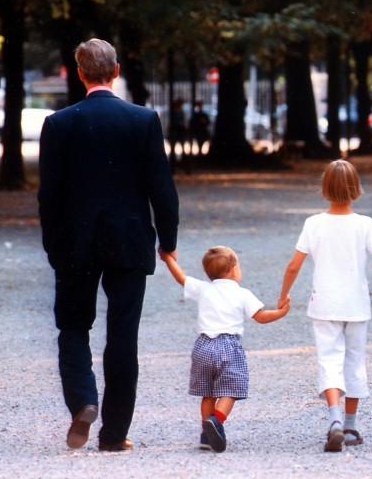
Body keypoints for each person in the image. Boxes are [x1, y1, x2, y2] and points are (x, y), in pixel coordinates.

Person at [37, 39, 179, 452]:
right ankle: (114, 433)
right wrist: (167, 240)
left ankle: (83, 400)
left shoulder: (59, 123)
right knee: (122, 335)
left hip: (76, 241)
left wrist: (53, 244)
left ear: (80, 73)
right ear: (116, 71)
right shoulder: (143, 119)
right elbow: (161, 187)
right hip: (129, 240)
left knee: (73, 327)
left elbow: (49, 194)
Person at [278, 160, 372, 453]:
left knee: (329, 360)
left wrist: (283, 295)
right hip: (356, 305)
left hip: (324, 304)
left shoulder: (313, 224)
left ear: (325, 188)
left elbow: (293, 265)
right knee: (354, 362)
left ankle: (334, 418)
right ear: (356, 189)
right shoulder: (365, 224)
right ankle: (349, 427)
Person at [159, 246, 290, 453]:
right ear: (234, 269)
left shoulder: (204, 288)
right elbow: (261, 317)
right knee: (231, 389)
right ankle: (216, 420)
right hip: (228, 346)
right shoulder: (242, 293)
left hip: (203, 346)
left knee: (207, 393)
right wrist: (281, 312)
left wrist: (168, 259)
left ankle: (206, 436)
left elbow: (181, 278)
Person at [168, 98, 187, 172]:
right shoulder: (178, 112)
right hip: (177, 130)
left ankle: (174, 165)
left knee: (174, 148)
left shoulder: (176, 111)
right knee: (177, 147)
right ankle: (177, 165)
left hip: (177, 130)